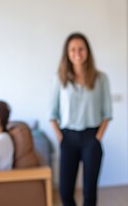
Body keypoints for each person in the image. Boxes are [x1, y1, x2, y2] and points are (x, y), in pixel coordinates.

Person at [49, 32, 112, 206]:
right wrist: (60, 137)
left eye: (81, 49)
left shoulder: (101, 79)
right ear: (67, 53)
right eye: (73, 49)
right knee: (65, 192)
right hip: (68, 137)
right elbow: (52, 113)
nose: (77, 53)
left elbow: (107, 113)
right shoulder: (59, 79)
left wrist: (97, 138)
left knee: (89, 194)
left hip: (91, 137)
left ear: (87, 51)